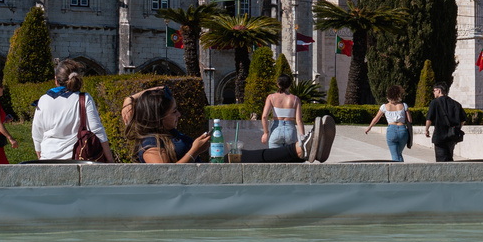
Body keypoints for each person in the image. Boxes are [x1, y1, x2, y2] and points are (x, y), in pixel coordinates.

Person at [122, 84, 334, 163]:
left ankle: (302, 149)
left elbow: (160, 88)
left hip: (209, 171)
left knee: (252, 155)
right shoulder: (150, 145)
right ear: (158, 118)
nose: (179, 115)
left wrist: (133, 98)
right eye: (174, 111)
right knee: (247, 158)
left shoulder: (170, 133)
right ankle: (302, 149)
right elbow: (165, 181)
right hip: (203, 186)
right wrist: (194, 151)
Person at [31, 59, 113, 162]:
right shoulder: (84, 98)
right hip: (76, 159)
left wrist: (41, 158)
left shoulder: (43, 100)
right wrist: (110, 160)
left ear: (56, 80)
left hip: (47, 158)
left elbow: (37, 135)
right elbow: (97, 130)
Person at [366, 85, 412, 161]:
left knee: (395, 155)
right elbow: (410, 120)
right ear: (398, 95)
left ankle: (397, 172)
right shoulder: (404, 105)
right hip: (403, 131)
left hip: (391, 130)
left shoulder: (384, 106)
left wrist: (369, 127)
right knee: (398, 154)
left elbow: (376, 119)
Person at [261, 72, 303, 151]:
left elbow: (264, 116)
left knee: (275, 159)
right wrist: (303, 136)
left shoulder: (271, 97)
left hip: (276, 130)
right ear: (290, 84)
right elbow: (299, 120)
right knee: (290, 159)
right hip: (290, 131)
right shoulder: (295, 99)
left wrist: (265, 133)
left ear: (277, 84)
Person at [424, 81, 466, 162]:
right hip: (452, 136)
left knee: (441, 160)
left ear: (439, 90)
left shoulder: (434, 103)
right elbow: (463, 119)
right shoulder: (456, 104)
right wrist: (457, 128)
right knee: (449, 157)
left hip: (439, 135)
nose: (433, 93)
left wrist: (426, 129)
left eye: (434, 91)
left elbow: (429, 119)